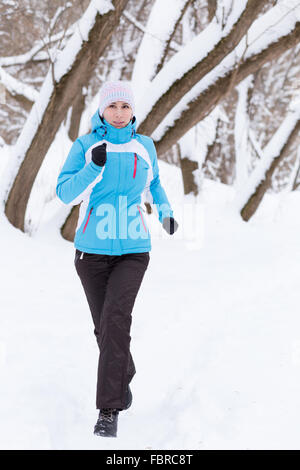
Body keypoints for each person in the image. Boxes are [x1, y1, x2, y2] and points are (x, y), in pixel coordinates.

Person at [56, 80, 179, 438]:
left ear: (133, 111)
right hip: (90, 252)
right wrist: (92, 168)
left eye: (125, 106)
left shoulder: (145, 147)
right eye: (113, 107)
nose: (120, 112)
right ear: (102, 110)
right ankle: (122, 369)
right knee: (106, 329)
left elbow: (154, 184)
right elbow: (65, 193)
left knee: (115, 319)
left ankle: (108, 410)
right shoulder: (86, 145)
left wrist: (165, 211)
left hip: (134, 251)